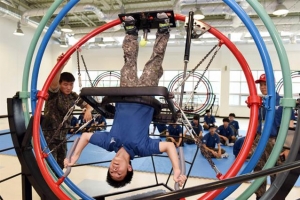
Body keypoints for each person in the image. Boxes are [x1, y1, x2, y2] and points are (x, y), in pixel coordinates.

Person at [64, 13, 186, 188]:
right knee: (153, 65)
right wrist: (176, 170)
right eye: (119, 173)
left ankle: (131, 33)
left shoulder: (108, 144)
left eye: (111, 171)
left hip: (124, 94)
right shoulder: (142, 149)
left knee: (128, 62)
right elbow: (169, 147)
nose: (114, 168)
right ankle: (163, 30)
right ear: (129, 168)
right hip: (145, 96)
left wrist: (75, 156)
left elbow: (84, 136)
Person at [42, 54, 93, 169]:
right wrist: (60, 65)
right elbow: (53, 83)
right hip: (49, 137)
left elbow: (88, 104)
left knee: (61, 166)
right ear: (60, 84)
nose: (68, 87)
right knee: (51, 166)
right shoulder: (54, 94)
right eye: (65, 84)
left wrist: (88, 110)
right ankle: (49, 185)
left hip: (62, 137)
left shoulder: (72, 96)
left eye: (71, 84)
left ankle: (56, 184)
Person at [250, 73, 295, 200]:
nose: (262, 87)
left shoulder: (282, 101)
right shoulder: (261, 102)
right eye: (261, 85)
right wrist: (252, 141)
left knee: (276, 172)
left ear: (272, 84)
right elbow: (257, 122)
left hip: (276, 141)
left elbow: (290, 125)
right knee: (258, 170)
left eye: (265, 84)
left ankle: (276, 197)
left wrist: (288, 148)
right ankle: (260, 196)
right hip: (260, 140)